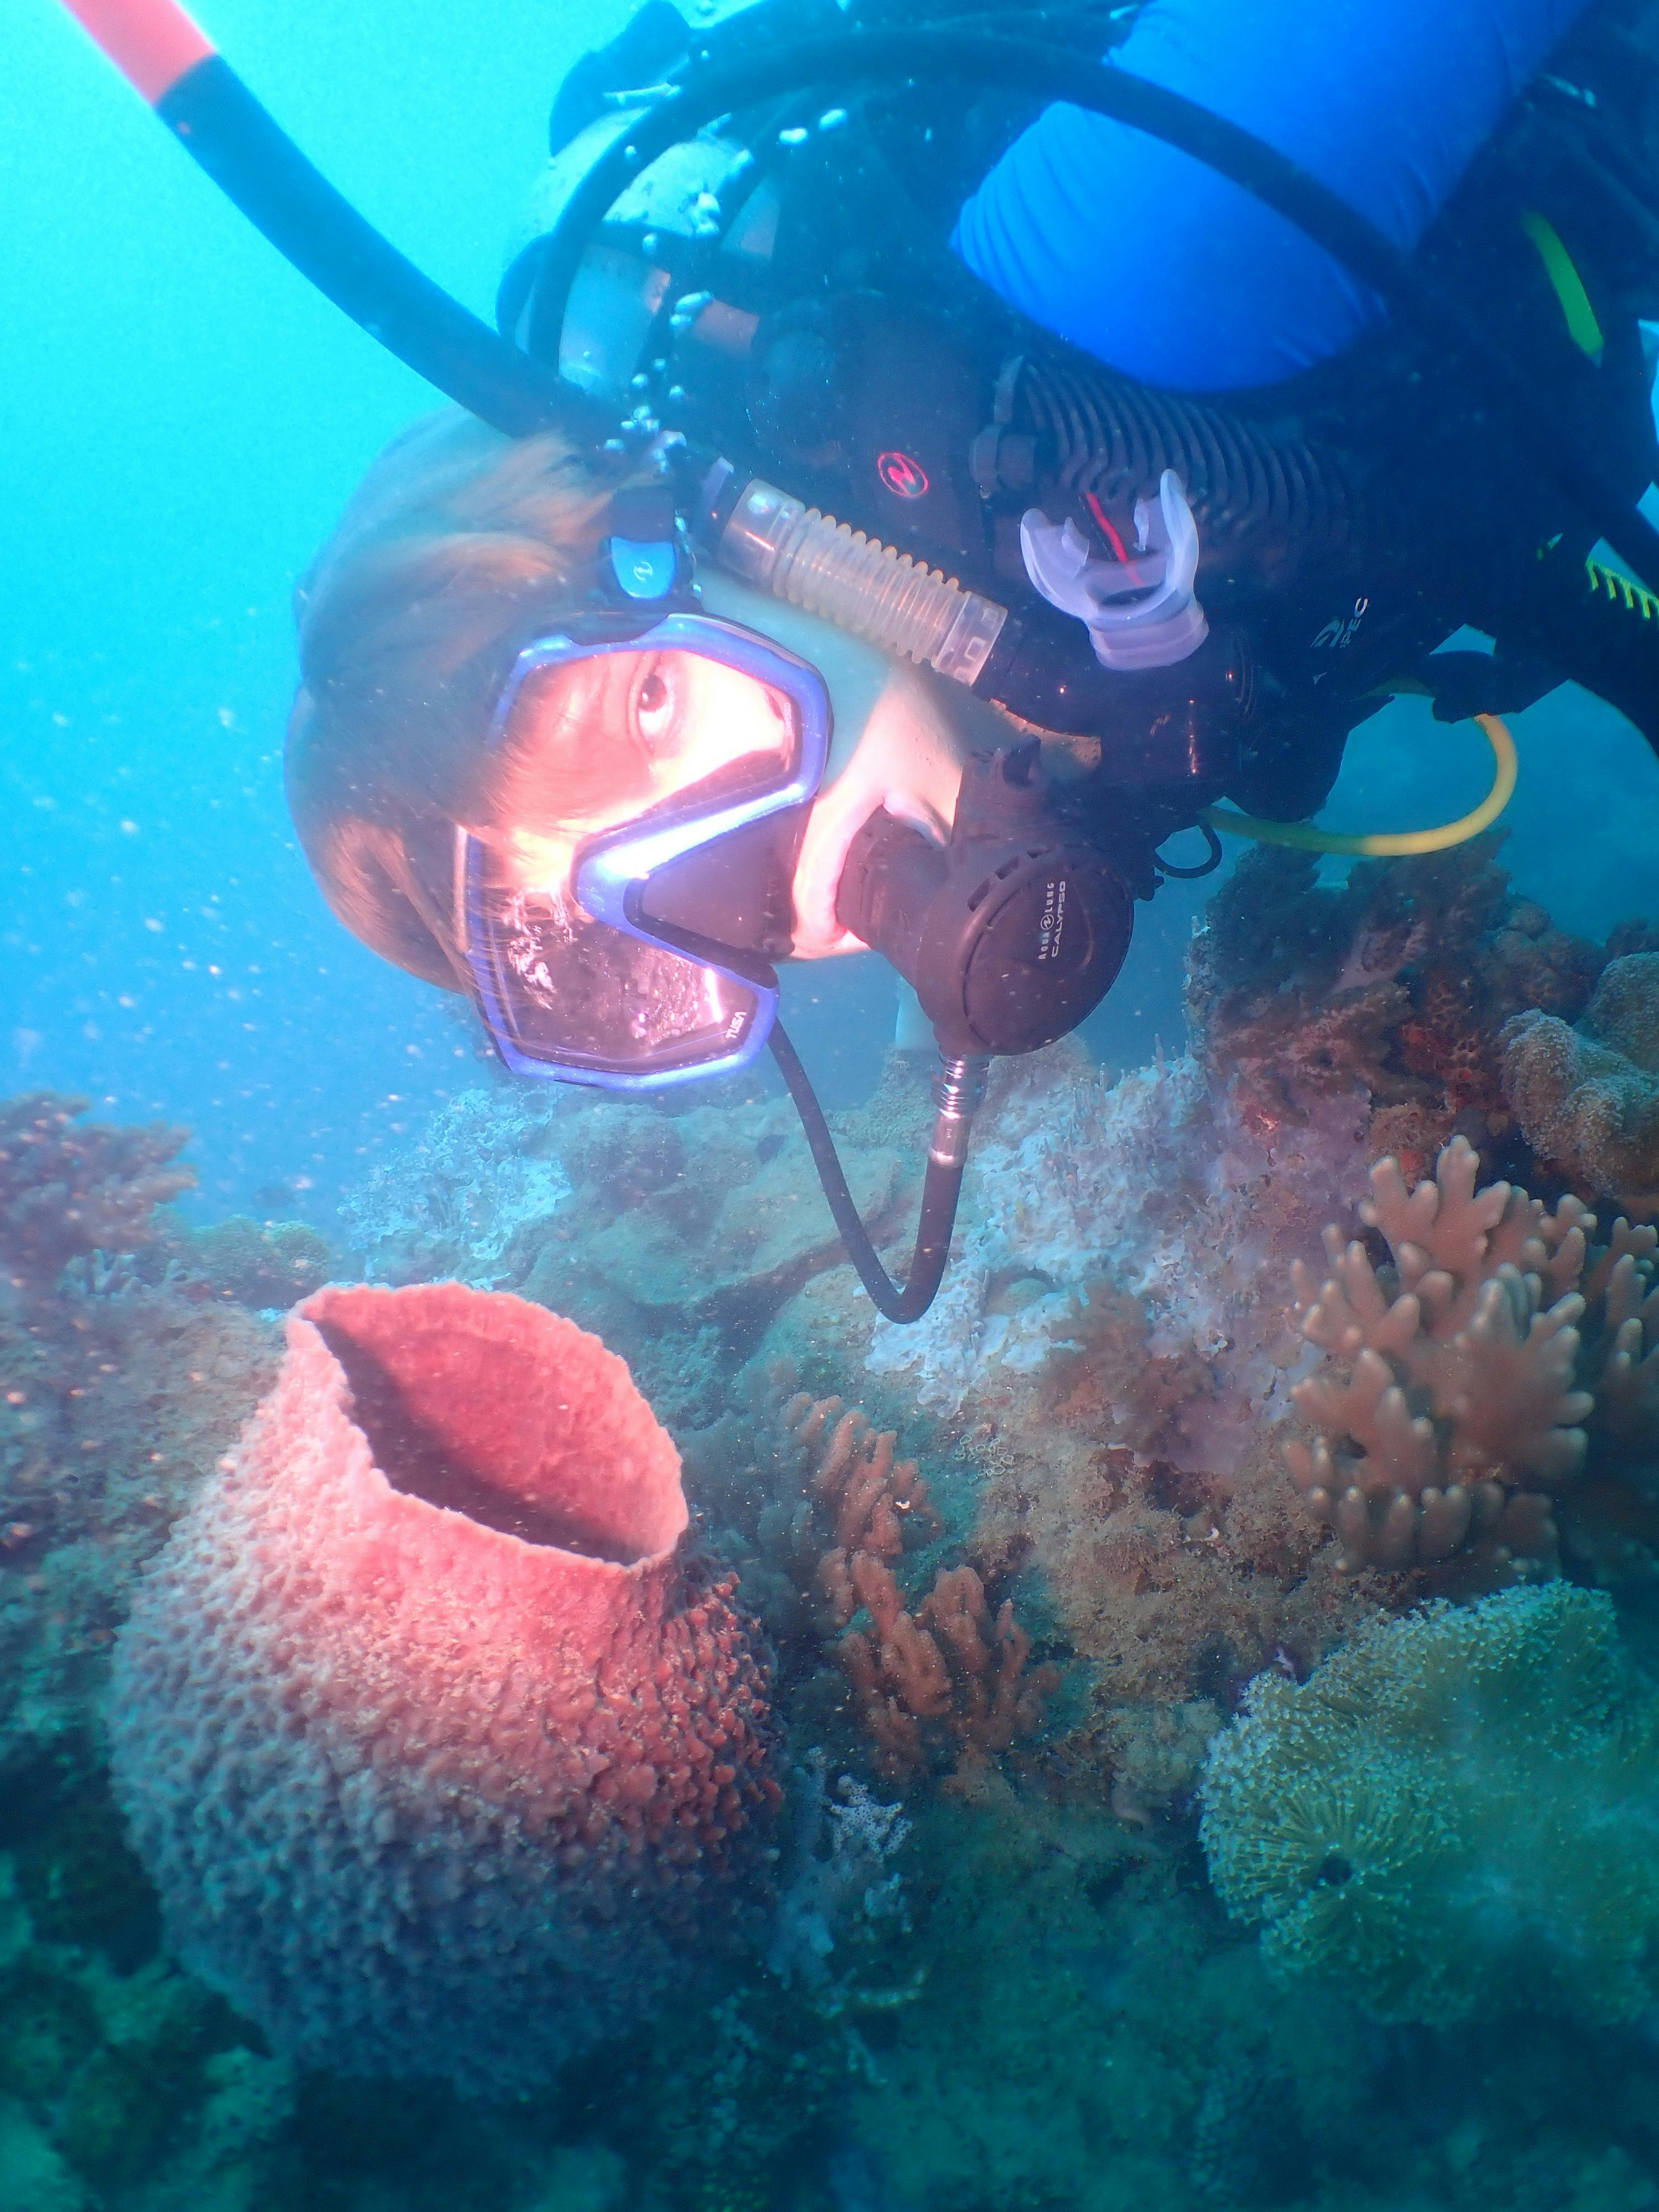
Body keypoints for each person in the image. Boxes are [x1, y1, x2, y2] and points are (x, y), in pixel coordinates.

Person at [286, 0, 1659, 1304]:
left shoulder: (1122, 269)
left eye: (649, 708)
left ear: (705, 541)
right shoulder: (967, 720)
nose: (731, 864)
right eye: (628, 922)